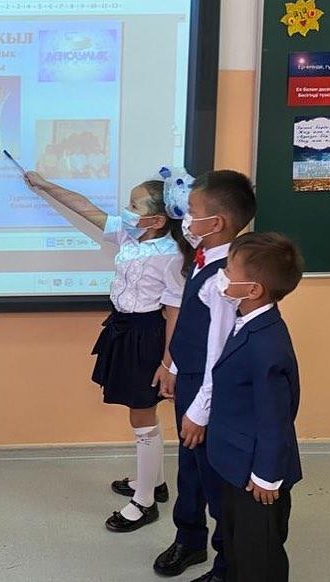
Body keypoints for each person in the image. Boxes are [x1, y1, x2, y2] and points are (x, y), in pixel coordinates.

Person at [24, 167, 194, 531]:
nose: (126, 211)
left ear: (157, 220)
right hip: (124, 330)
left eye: (134, 206)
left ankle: (144, 502)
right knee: (142, 411)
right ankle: (155, 483)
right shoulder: (129, 235)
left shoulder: (170, 256)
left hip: (147, 336)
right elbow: (85, 207)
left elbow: (174, 314)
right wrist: (45, 185)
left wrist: (168, 364)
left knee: (141, 416)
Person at [153, 170, 256, 582]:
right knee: (190, 468)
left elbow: (220, 352)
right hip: (190, 378)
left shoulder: (228, 277)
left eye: (192, 211)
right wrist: (173, 367)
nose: (185, 218)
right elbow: (194, 328)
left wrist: (200, 409)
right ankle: (189, 538)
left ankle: (227, 565)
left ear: (217, 223)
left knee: (215, 479)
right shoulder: (204, 256)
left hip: (209, 391)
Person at [208, 232, 303, 582]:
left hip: (257, 476)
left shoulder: (267, 344)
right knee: (237, 545)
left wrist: (266, 475)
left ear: (253, 290)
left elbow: (275, 418)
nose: (223, 275)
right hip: (236, 463)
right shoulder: (248, 321)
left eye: (229, 270)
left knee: (258, 554)